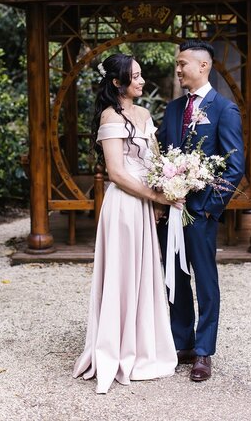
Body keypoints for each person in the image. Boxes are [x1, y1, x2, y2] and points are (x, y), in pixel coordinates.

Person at [73, 53, 182, 394]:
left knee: (145, 273)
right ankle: (115, 347)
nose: (141, 81)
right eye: (134, 76)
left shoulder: (145, 114)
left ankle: (143, 345)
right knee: (123, 274)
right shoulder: (110, 116)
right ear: (118, 83)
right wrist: (158, 197)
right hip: (123, 207)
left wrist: (167, 186)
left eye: (141, 74)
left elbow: (156, 160)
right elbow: (117, 173)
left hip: (146, 204)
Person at [157, 40, 245, 383]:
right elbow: (163, 154)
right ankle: (183, 342)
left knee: (205, 280)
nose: (178, 70)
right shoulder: (174, 108)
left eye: (183, 64)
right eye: (178, 65)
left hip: (200, 213)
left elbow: (234, 167)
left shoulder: (224, 109)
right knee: (174, 277)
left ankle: (205, 351)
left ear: (203, 66)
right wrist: (163, 195)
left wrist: (209, 210)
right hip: (172, 211)